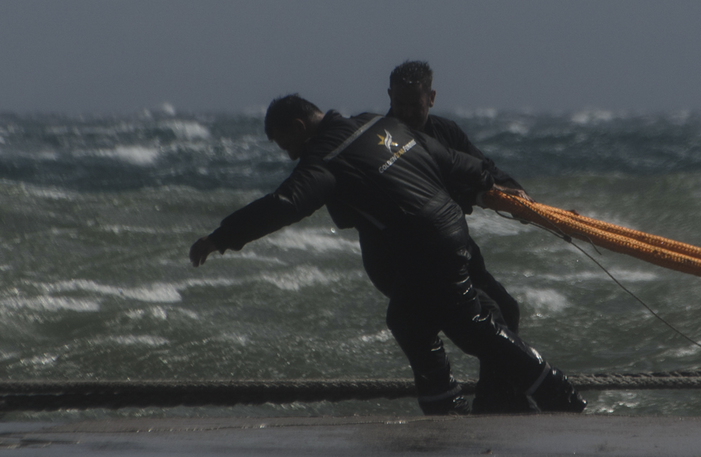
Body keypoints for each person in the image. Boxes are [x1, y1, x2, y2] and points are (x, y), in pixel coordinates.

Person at [188, 94, 584, 417]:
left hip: (426, 249)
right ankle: (447, 410)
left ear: (299, 128)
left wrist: (221, 237)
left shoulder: (326, 157)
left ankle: (561, 397)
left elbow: (285, 203)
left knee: (474, 327)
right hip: (449, 234)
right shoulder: (381, 124)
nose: (291, 156)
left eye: (287, 145)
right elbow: (447, 158)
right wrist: (492, 181)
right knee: (408, 320)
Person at [386, 60, 530, 413]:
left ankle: (494, 400)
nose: (404, 113)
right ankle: (483, 403)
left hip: (456, 249)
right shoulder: (381, 141)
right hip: (410, 259)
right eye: (398, 104)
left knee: (507, 310)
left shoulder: (446, 133)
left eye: (413, 105)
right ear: (389, 97)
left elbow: (483, 169)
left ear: (431, 98)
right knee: (487, 317)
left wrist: (515, 194)